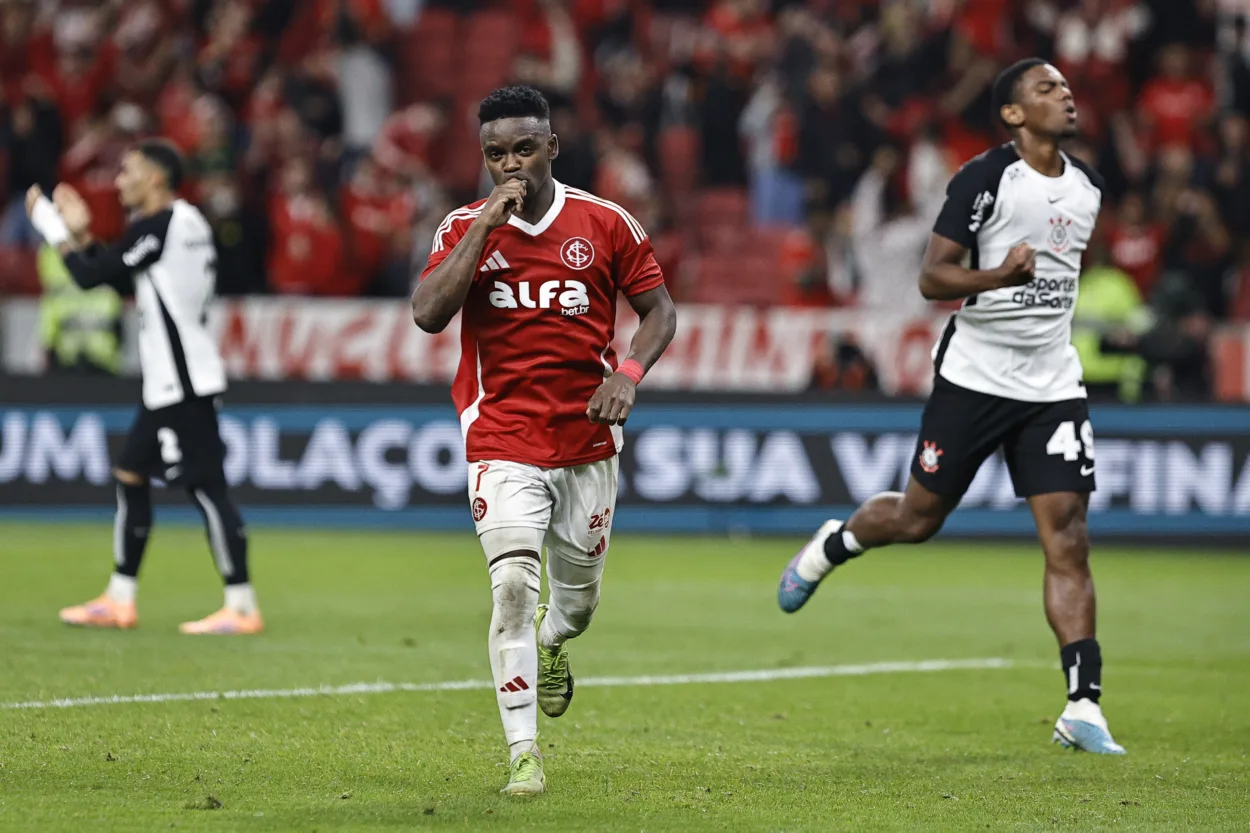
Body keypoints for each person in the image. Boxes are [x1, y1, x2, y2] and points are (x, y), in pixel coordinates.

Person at [777, 59, 1126, 755]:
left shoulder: (1088, 186)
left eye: (1065, 85)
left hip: (1051, 383)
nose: (1065, 94)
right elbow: (934, 275)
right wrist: (999, 275)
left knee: (1069, 536)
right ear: (1014, 114)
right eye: (1046, 88)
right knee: (917, 518)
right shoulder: (983, 178)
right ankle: (835, 541)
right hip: (975, 375)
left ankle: (1083, 703)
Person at [412, 85, 677, 795]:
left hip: (587, 440)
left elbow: (659, 311)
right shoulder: (464, 226)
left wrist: (627, 372)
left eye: (524, 148)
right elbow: (430, 314)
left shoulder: (606, 222)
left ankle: (554, 639)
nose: (511, 164)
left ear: (552, 147)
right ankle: (523, 753)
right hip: (501, 437)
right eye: (496, 153)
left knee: (577, 604)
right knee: (509, 588)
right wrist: (484, 226)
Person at [24, 139, 262, 636]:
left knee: (206, 487)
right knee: (131, 474)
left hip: (182, 382)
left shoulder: (161, 226)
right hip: (174, 380)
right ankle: (119, 598)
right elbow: (124, 279)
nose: (117, 181)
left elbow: (91, 277)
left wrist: (52, 225)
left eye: (127, 171)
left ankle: (240, 605)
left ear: (154, 177)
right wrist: (86, 238)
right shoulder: (183, 223)